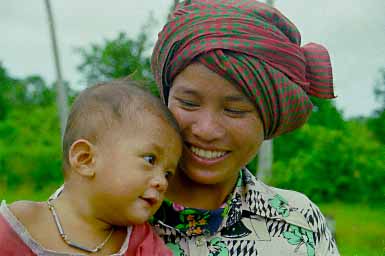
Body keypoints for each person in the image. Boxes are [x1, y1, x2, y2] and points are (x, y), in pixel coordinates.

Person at [150, 0, 339, 255]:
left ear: (270, 118)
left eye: (234, 110)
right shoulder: (101, 211)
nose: (206, 130)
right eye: (189, 103)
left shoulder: (299, 224)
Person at [0, 79, 182, 255]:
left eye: (168, 174)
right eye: (150, 159)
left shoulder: (142, 243)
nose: (162, 182)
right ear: (85, 159)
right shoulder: (21, 225)